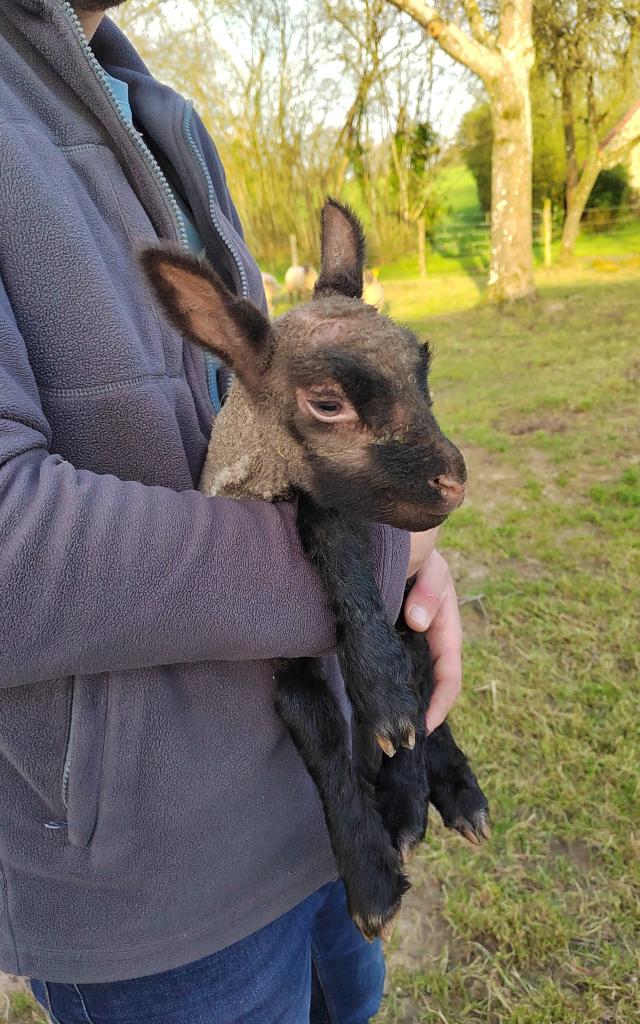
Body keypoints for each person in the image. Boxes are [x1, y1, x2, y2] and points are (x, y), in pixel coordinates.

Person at [0, 2, 463, 1020]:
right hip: (157, 891)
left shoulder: (155, 104)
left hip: (314, 796)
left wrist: (403, 538)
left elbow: (271, 427)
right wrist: (375, 562)